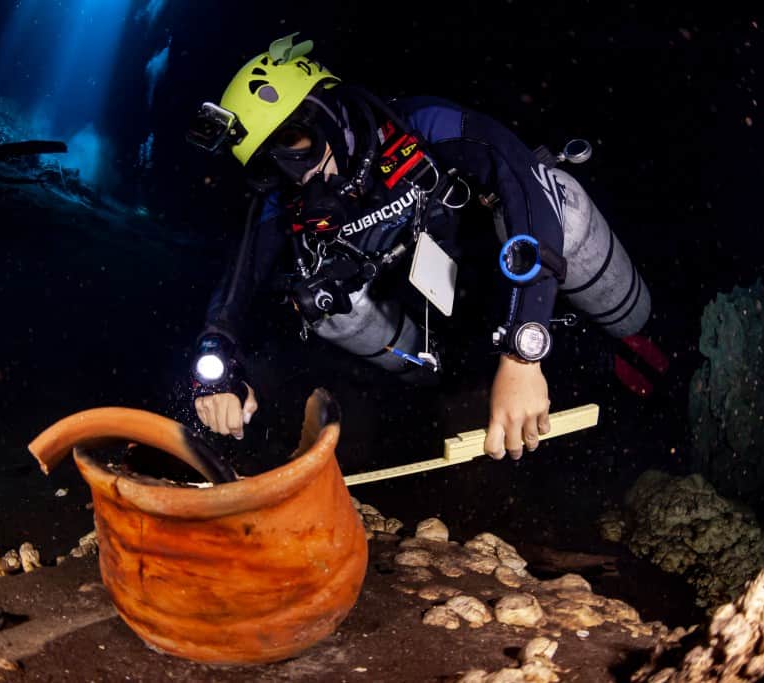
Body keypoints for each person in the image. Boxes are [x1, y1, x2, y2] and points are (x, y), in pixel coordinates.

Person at [184, 34, 668, 461]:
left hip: (511, 280)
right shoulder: (281, 206)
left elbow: (521, 177)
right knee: (322, 307)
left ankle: (632, 328)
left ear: (327, 111)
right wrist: (217, 377)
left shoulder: (423, 124)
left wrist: (524, 352)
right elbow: (232, 296)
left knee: (561, 197)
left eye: (295, 140)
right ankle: (445, 385)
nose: (295, 174)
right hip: (437, 327)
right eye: (270, 165)